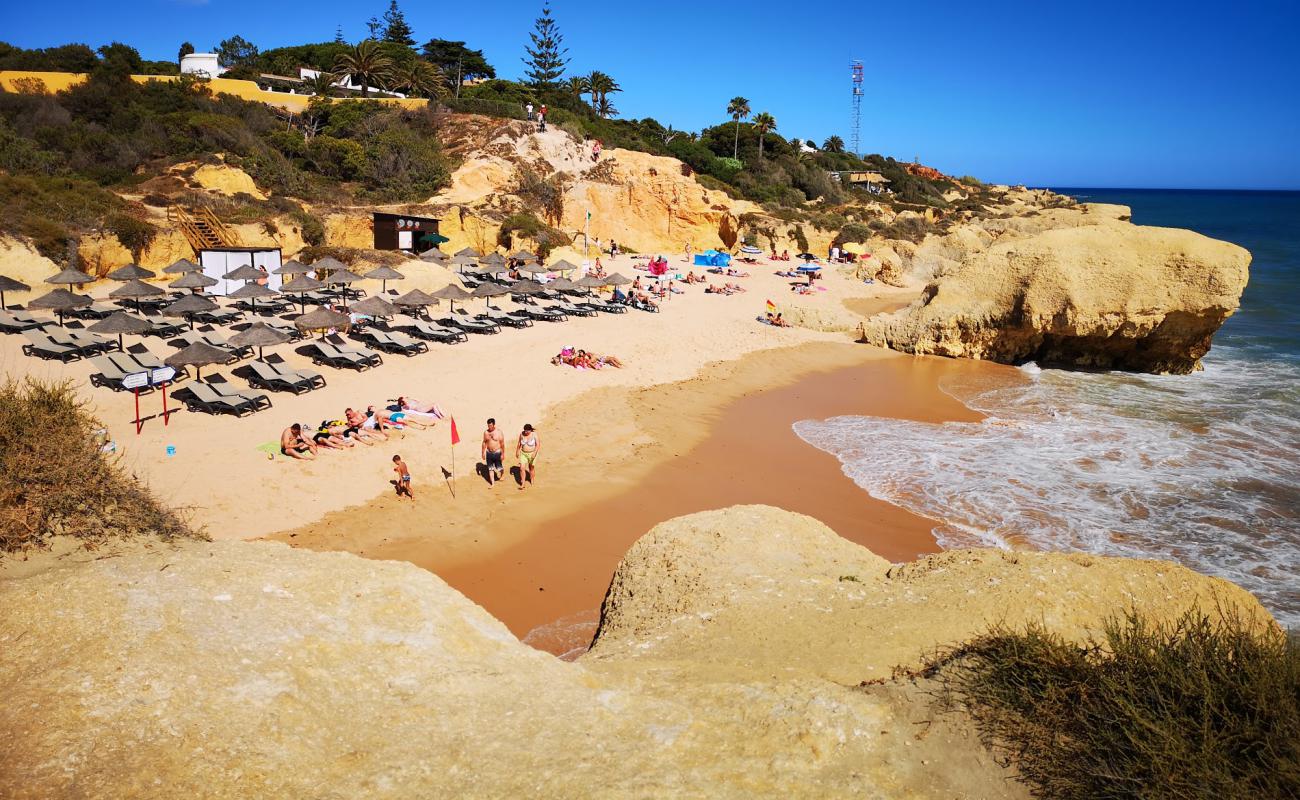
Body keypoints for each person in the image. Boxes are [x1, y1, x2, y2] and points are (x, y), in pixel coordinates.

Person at [515, 423, 540, 489]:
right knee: (521, 468)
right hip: (523, 453)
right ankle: (523, 483)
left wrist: (534, 453)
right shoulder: (522, 434)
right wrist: (517, 451)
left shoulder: (534, 434)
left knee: (531, 468)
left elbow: (538, 445)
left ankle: (532, 479)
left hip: (532, 453)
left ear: (530, 430)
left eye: (527, 431)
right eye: (525, 430)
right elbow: (519, 443)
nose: (526, 432)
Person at [482, 417, 505, 486]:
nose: (489, 427)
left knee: (499, 467)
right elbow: (484, 442)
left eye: (491, 425)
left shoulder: (499, 432)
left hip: (497, 452)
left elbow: (502, 444)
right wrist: (483, 452)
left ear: (494, 425)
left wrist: (503, 454)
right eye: (488, 426)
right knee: (490, 468)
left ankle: (502, 473)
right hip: (488, 452)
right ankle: (492, 483)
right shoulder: (486, 432)